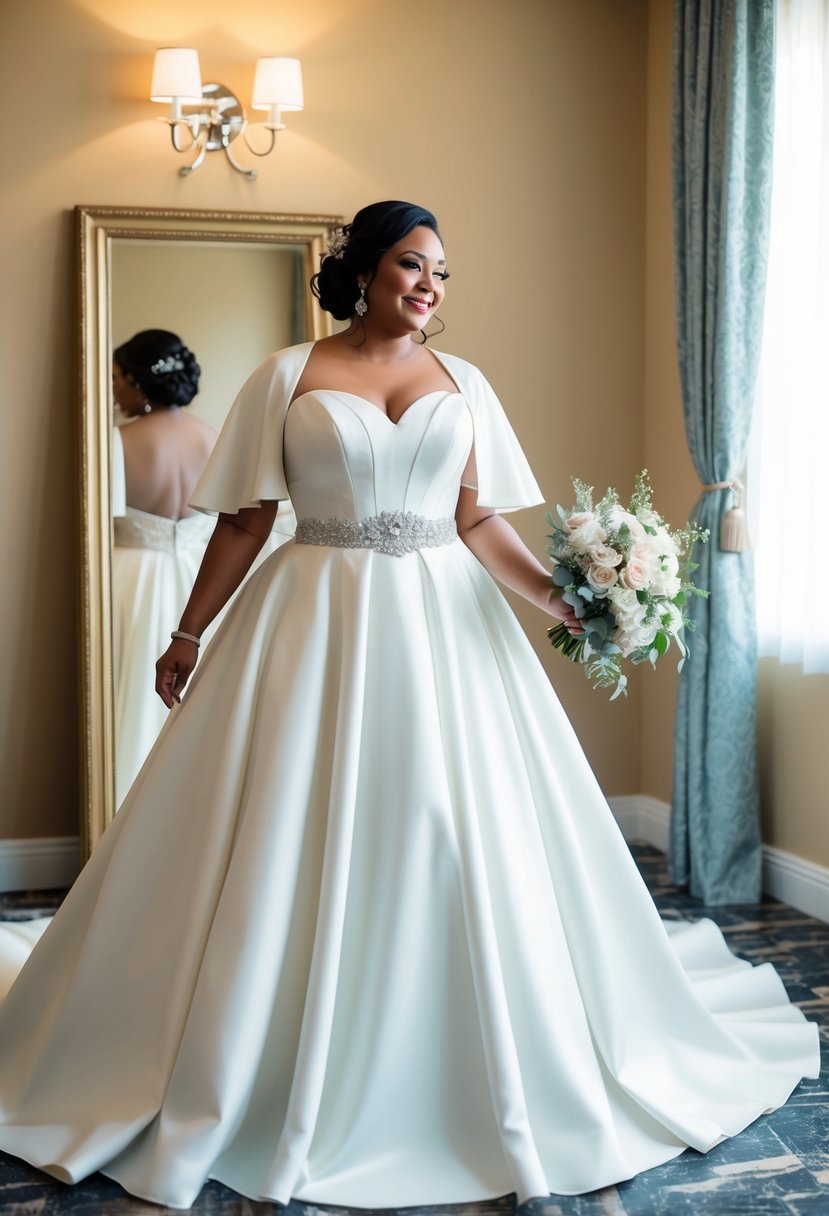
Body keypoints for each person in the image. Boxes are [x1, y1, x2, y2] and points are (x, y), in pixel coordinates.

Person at [0, 202, 819, 1210]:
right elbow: (247, 518)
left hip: (445, 623)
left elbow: (476, 517)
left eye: (440, 270)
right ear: (363, 270)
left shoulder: (463, 382)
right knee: (284, 826)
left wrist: (565, 600)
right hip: (313, 614)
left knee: (453, 823)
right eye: (409, 264)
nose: (428, 284)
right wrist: (187, 630)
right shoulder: (286, 374)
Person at [111, 330, 217, 803]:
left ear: (137, 382)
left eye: (117, 379)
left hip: (129, 580)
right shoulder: (212, 437)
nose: (114, 391)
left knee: (128, 698)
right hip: (203, 581)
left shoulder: (117, 443)